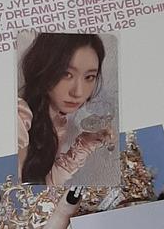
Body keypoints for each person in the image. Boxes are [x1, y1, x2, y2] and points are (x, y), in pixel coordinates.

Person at [16, 33, 116, 186]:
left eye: (89, 77)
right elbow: (15, 195)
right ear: (42, 68)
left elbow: (43, 187)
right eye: (66, 74)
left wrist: (86, 144)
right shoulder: (19, 118)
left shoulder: (56, 121)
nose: (78, 92)